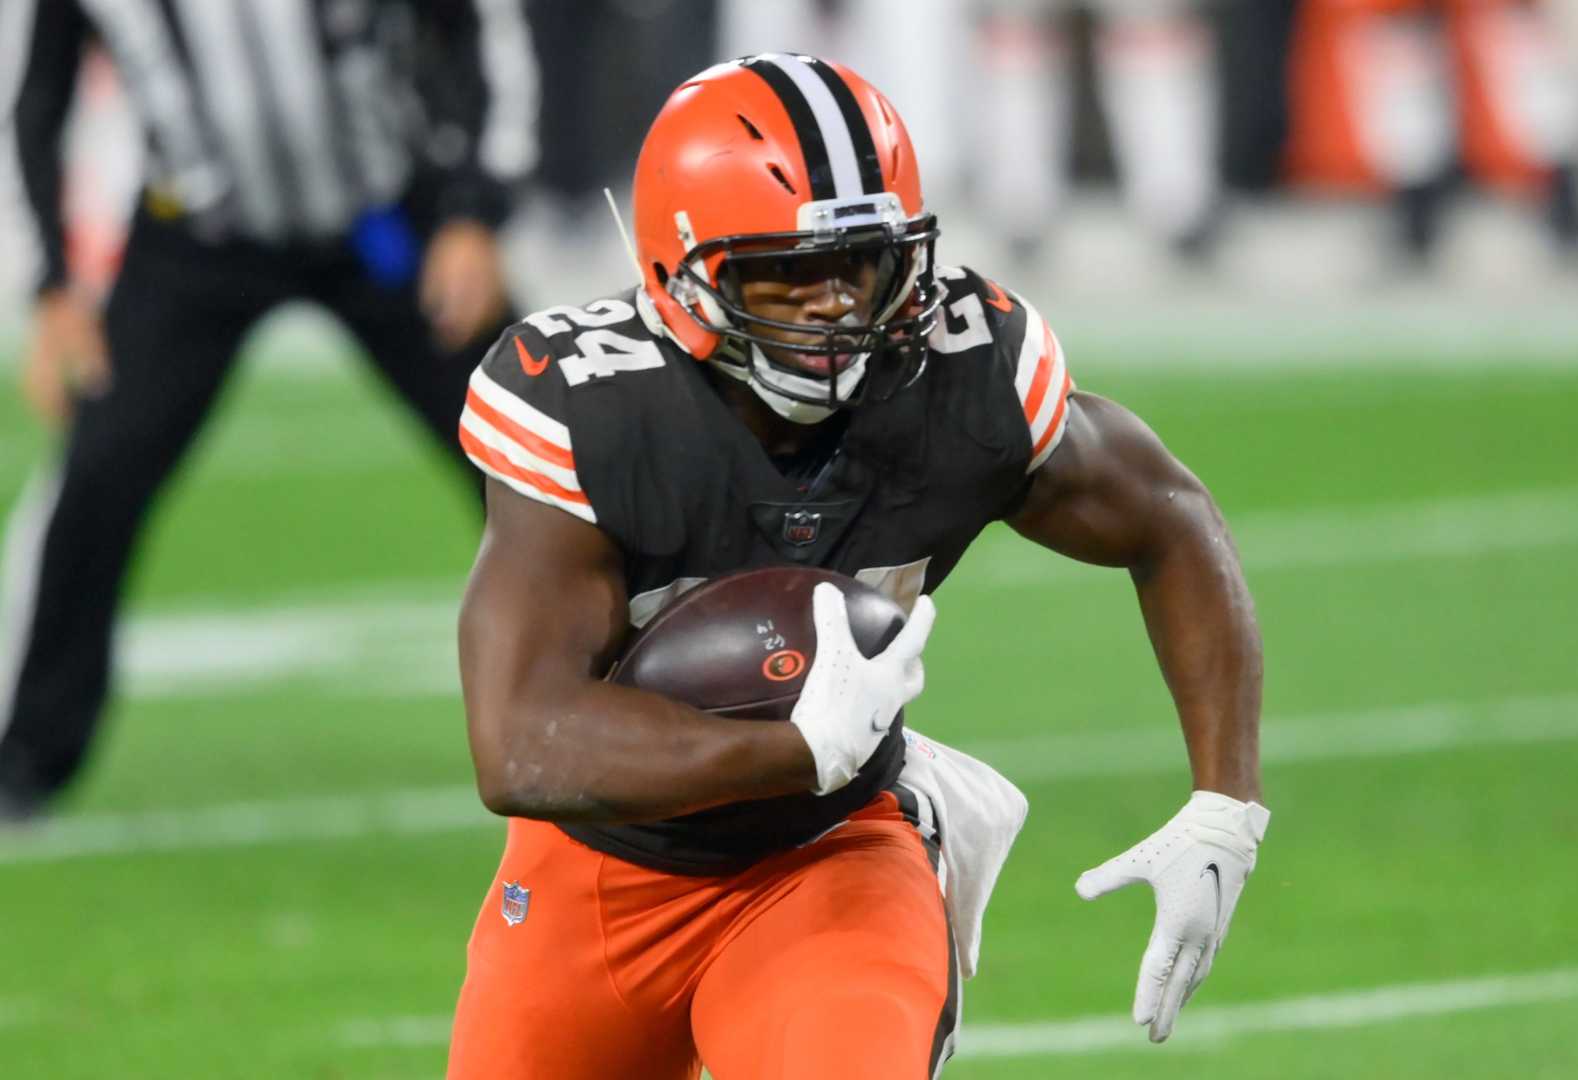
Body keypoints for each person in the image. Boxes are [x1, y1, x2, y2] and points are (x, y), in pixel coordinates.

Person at [449, 53, 1268, 1077]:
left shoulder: (963, 374)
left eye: (861, 262)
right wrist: (795, 749)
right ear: (684, 271)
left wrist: (1226, 808)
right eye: (786, 271)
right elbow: (520, 744)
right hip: (602, 863)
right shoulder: (595, 404)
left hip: (832, 853)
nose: (834, 303)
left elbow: (1169, 517)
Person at [0, 1, 539, 819]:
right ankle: (30, 757)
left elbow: (474, 24)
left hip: (383, 221)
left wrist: (474, 212)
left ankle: (614, 693)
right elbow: (40, 94)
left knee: (539, 447)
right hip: (196, 236)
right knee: (96, 479)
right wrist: (51, 286)